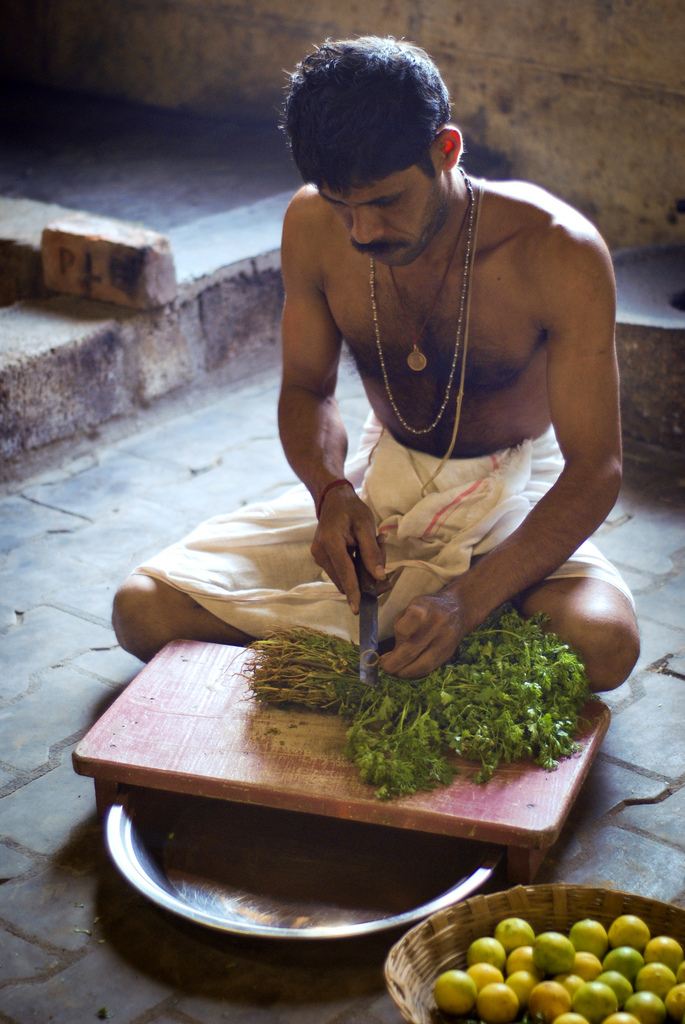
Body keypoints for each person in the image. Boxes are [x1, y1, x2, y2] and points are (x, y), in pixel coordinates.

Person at [113, 36, 640, 690]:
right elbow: (306, 388)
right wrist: (330, 491)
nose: (361, 232)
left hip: (513, 486)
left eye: (385, 201)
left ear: (444, 150)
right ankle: (399, 655)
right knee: (142, 609)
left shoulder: (558, 251)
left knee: (602, 642)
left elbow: (597, 468)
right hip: (378, 480)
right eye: (342, 205)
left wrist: (465, 601)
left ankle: (416, 635)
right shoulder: (311, 225)